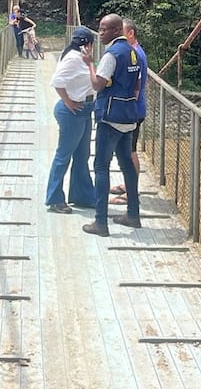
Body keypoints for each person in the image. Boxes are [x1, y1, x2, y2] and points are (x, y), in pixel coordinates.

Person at [82, 14, 145, 237]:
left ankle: (100, 222)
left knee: (101, 166)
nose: (100, 34)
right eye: (99, 29)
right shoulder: (133, 52)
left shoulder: (111, 54)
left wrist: (90, 65)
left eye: (104, 30)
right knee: (127, 165)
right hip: (129, 116)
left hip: (110, 118)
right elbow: (137, 84)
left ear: (116, 30)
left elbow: (98, 85)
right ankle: (133, 215)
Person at [45, 26, 97, 214]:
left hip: (85, 110)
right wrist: (68, 101)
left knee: (82, 155)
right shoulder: (74, 58)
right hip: (73, 112)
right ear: (89, 44)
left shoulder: (81, 58)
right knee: (63, 155)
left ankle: (83, 196)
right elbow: (57, 81)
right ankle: (55, 199)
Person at [110, 18, 147, 205]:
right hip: (133, 108)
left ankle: (132, 193)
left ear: (130, 33)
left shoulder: (135, 55)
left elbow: (136, 87)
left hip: (133, 110)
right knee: (127, 150)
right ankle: (128, 185)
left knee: (130, 152)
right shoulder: (134, 52)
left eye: (121, 32)